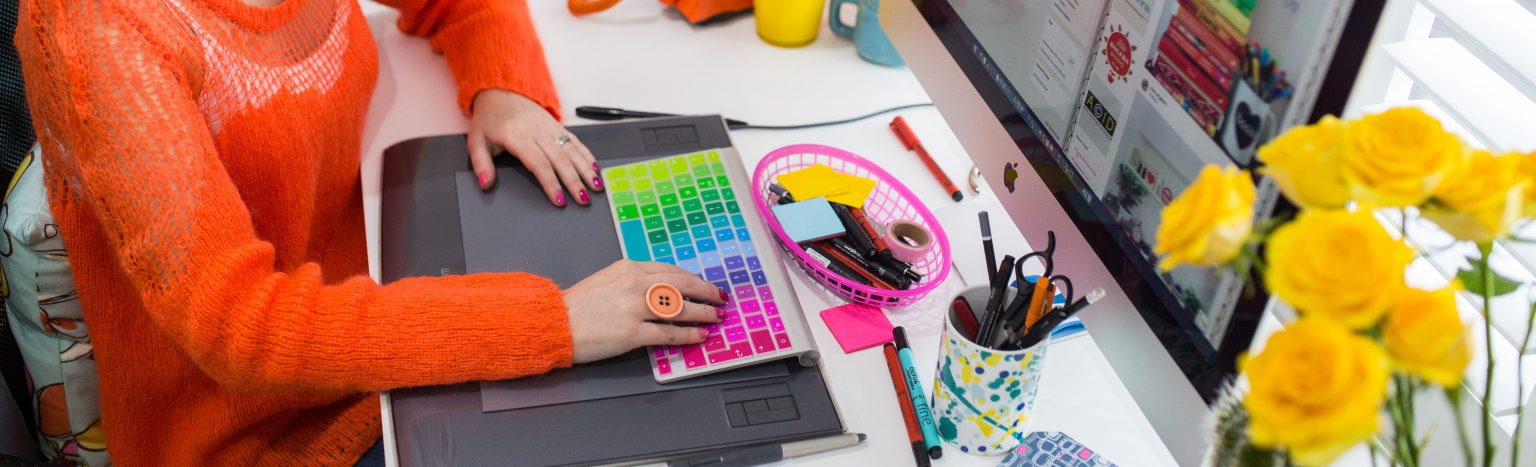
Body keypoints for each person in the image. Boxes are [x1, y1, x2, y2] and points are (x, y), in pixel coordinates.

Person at [15, 0, 723, 464]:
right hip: (269, 432)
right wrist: (557, 321)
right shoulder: (103, 32)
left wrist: (501, 87)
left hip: (394, 299)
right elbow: (243, 327)